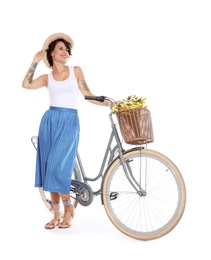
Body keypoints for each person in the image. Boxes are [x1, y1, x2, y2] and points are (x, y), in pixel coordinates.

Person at [22, 32, 110, 229]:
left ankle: (69, 209)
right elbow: (26, 84)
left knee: (56, 167)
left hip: (69, 121)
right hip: (50, 121)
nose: (65, 52)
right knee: (48, 168)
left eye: (67, 49)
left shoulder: (75, 71)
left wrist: (112, 104)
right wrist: (35, 61)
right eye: (60, 48)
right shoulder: (46, 77)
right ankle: (56, 214)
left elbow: (88, 95)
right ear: (51, 53)